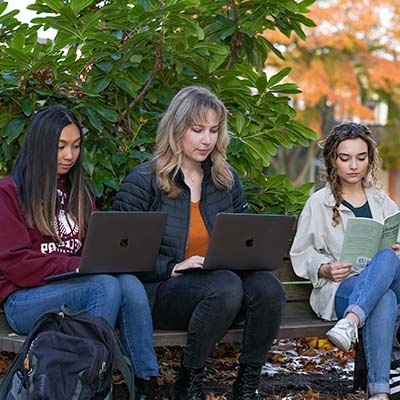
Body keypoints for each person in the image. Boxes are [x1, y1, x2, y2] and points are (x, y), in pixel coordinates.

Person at [113, 85, 285, 400]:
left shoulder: (225, 179)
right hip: (164, 291)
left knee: (268, 288)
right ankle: (188, 380)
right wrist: (173, 266)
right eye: (197, 130)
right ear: (176, 129)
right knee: (225, 286)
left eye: (214, 131)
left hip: (221, 287)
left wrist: (249, 256)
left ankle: (246, 385)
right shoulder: (144, 181)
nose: (207, 140)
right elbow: (121, 254)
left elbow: (243, 237)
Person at [0, 105, 158, 399]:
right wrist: (77, 267)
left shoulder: (78, 194)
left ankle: (145, 383)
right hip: (23, 299)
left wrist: (107, 257)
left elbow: (90, 250)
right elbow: (17, 264)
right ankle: (87, 387)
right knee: (104, 285)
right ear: (40, 145)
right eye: (60, 147)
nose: (69, 155)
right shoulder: (9, 193)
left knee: (129, 284)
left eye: (75, 146)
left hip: (73, 289)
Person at [290, 122, 400, 400]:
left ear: (370, 160)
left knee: (387, 256)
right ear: (332, 161)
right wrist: (324, 268)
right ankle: (380, 393)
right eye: (345, 158)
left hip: (382, 280)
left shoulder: (383, 202)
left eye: (361, 158)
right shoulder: (319, 203)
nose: (354, 165)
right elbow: (302, 253)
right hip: (340, 289)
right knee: (383, 300)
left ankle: (351, 322)